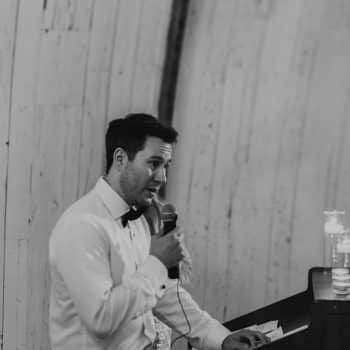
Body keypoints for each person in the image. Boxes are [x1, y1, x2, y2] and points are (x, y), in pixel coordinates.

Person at [49, 113, 269, 350]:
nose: (162, 178)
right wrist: (158, 262)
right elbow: (101, 319)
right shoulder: (82, 226)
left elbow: (162, 294)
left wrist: (220, 337)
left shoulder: (139, 217)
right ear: (120, 158)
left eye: (166, 166)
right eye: (154, 163)